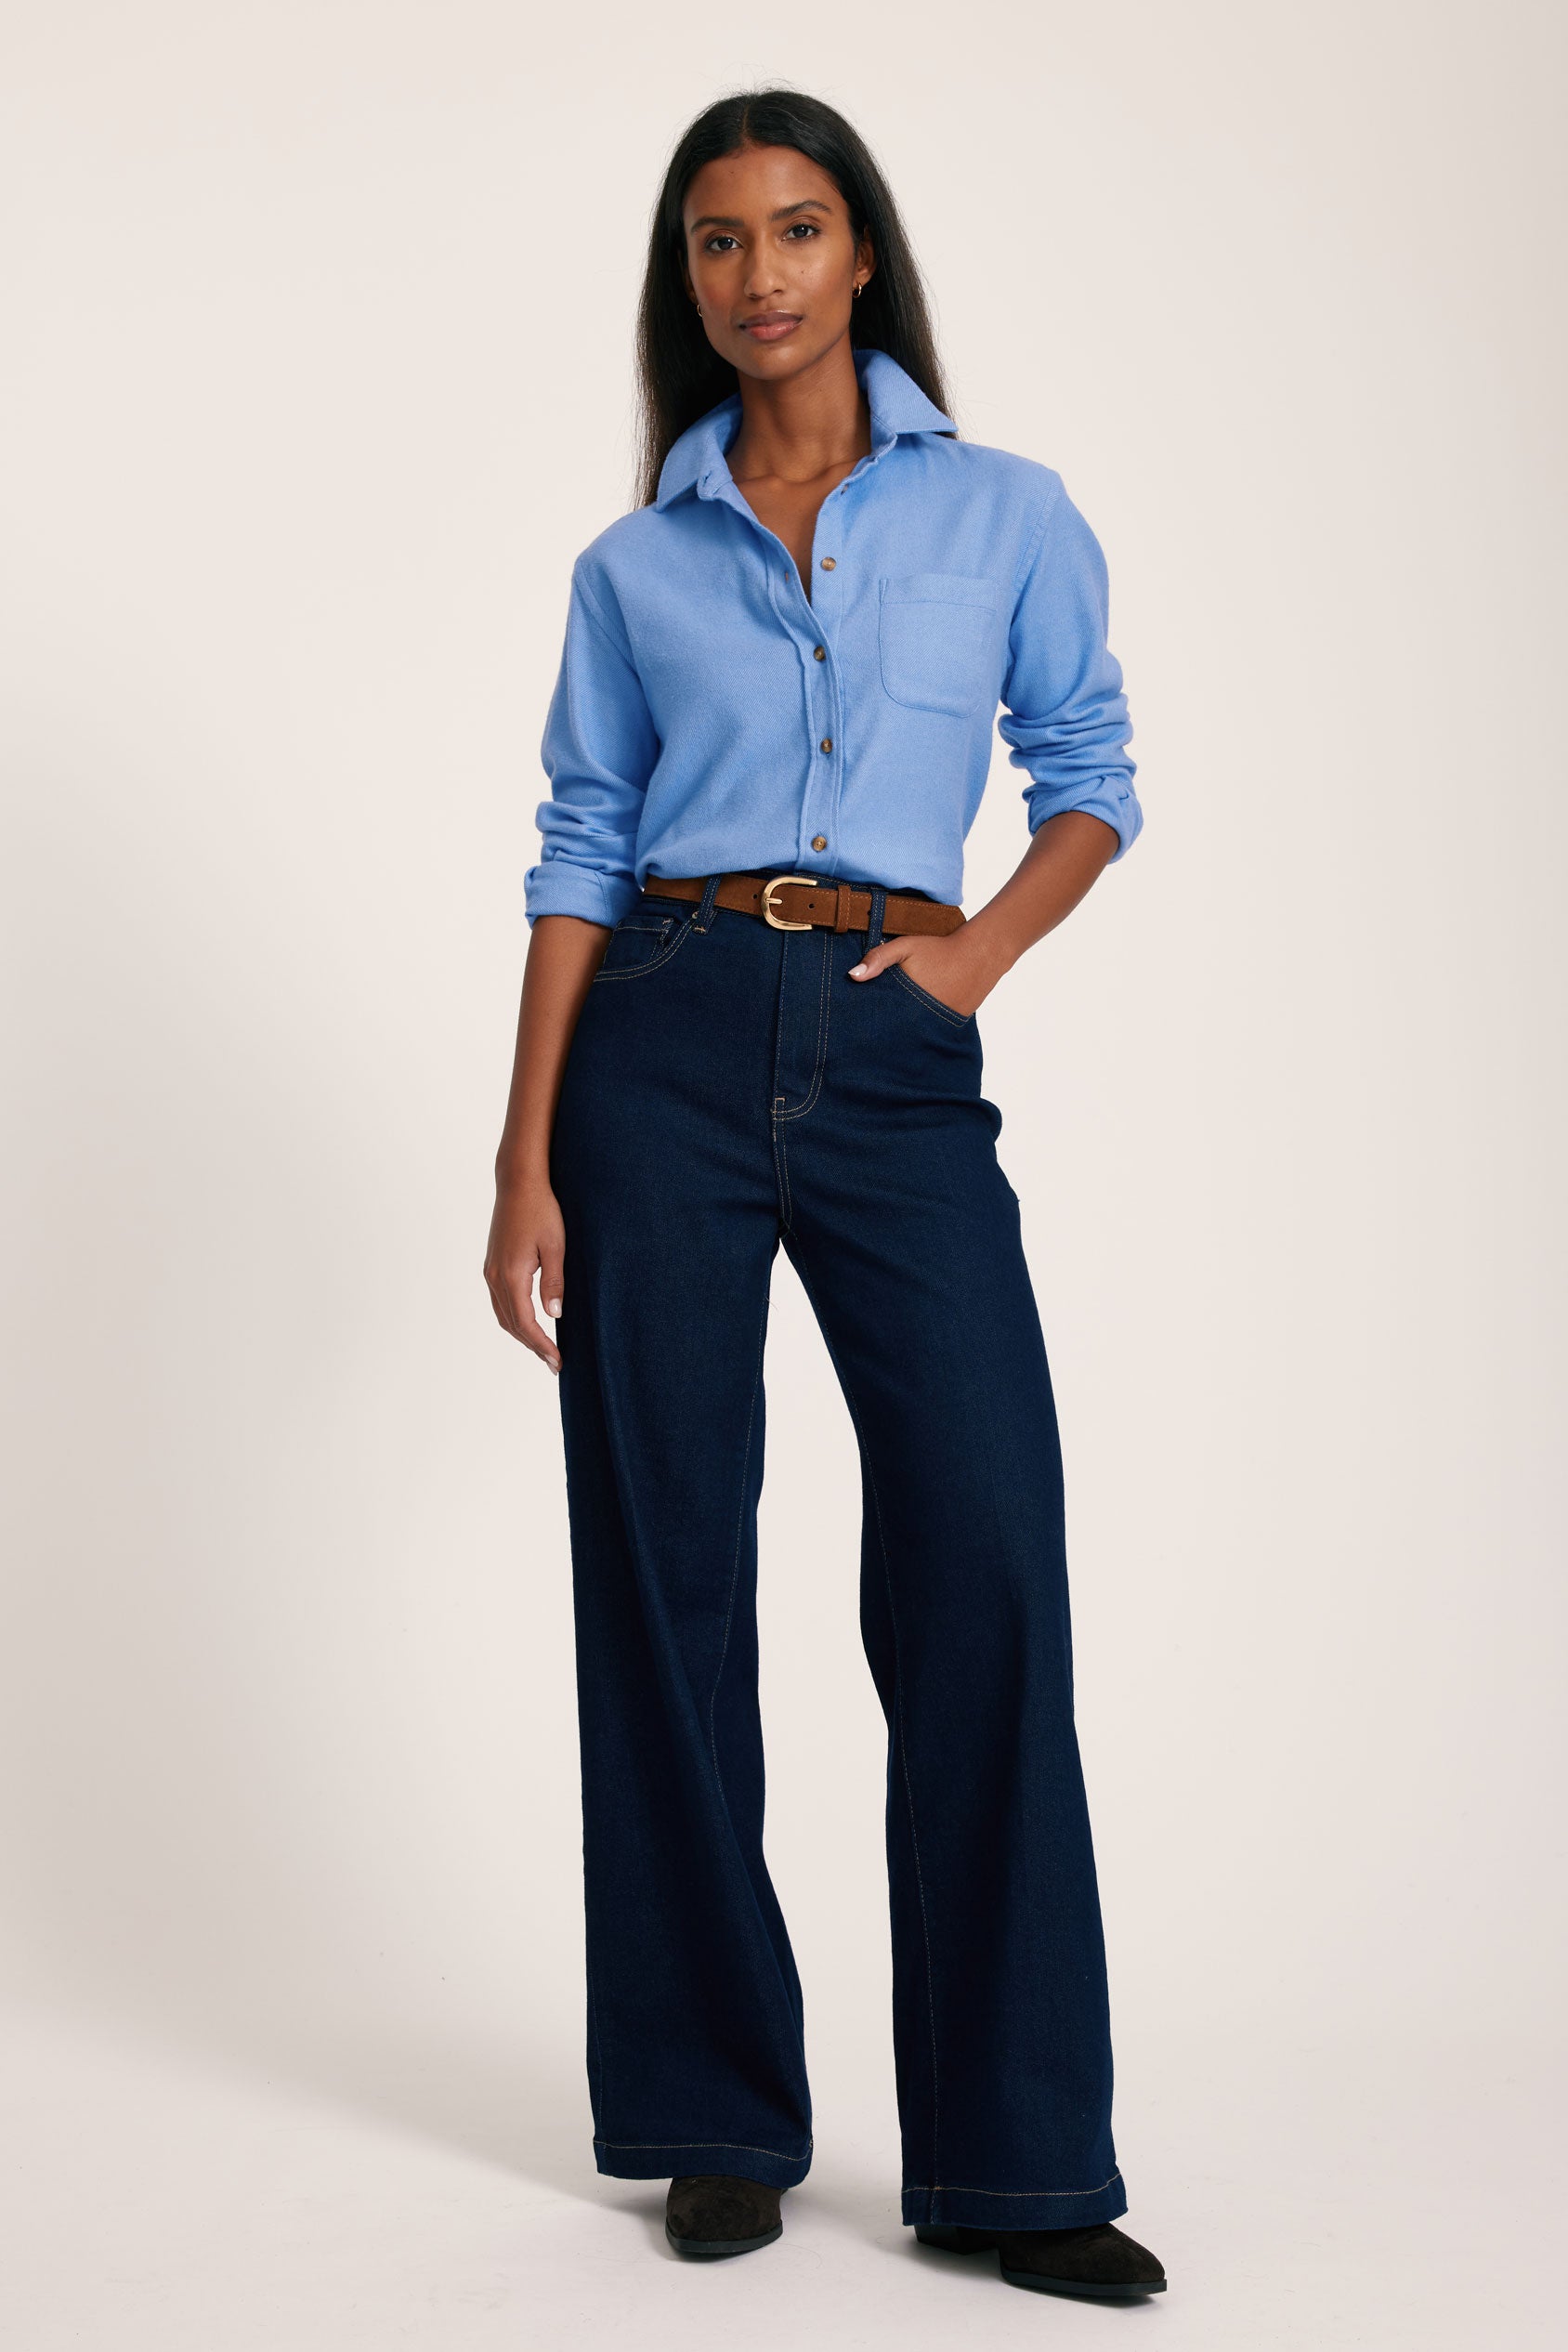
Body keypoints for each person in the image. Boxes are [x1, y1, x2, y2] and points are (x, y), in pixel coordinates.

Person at [484, 88, 1166, 2303]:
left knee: (981, 1554)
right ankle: (706, 2113)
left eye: (797, 228)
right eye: (715, 241)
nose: (758, 273)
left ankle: (1018, 2161)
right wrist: (522, 1151)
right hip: (658, 1047)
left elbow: (1087, 777)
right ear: (682, 281)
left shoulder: (1004, 514)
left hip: (889, 1043)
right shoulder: (633, 563)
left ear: (860, 254)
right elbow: (581, 845)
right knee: (665, 1570)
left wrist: (964, 961)